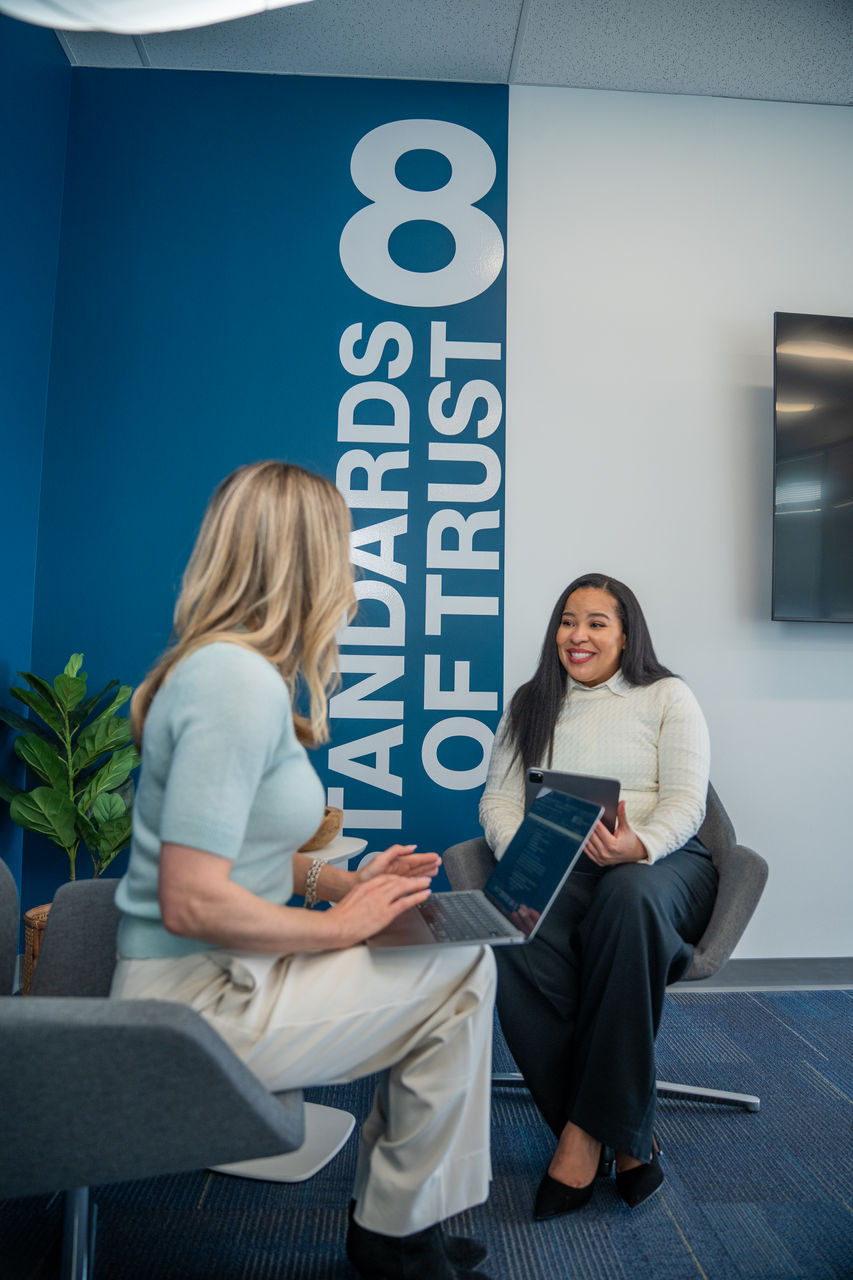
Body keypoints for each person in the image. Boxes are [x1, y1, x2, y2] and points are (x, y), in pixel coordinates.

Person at [110, 461, 496, 1280]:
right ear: (305, 562)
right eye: (343, 554)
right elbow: (189, 898)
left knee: (451, 953)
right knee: (463, 965)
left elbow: (233, 851)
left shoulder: (224, 671)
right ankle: (398, 1230)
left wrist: (341, 885)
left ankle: (402, 1223)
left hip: (218, 981)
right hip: (194, 1012)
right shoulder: (232, 683)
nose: (351, 576)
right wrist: (339, 931)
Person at [479, 572, 717, 1217]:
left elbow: (687, 804)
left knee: (628, 900)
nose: (577, 636)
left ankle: (582, 1140)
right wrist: (526, 850)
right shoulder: (532, 701)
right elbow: (498, 800)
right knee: (512, 924)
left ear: (625, 633)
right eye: (567, 621)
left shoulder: (667, 696)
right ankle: (628, 1136)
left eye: (595, 623)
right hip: (566, 866)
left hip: (659, 865)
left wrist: (637, 846)